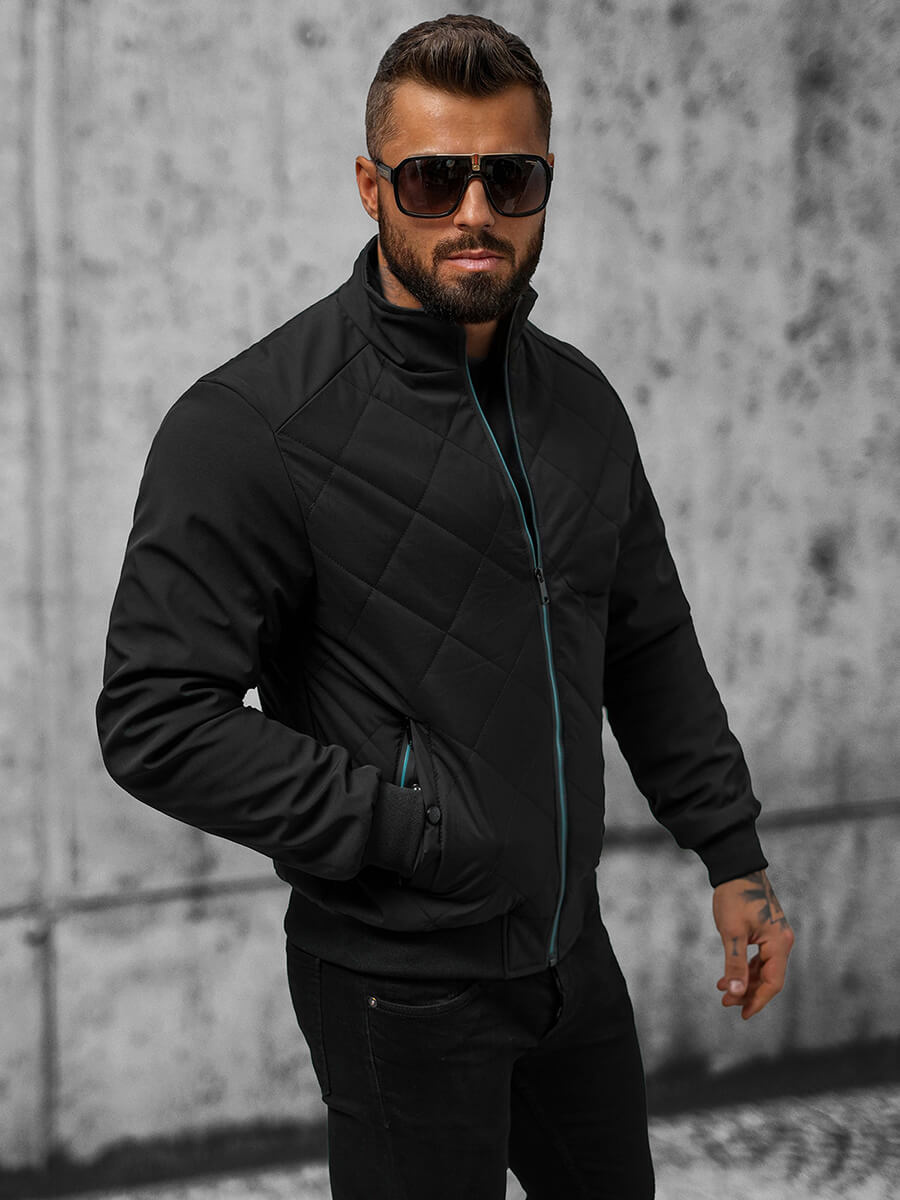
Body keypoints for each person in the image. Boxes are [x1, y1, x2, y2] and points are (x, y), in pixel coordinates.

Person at [95, 13, 794, 1199]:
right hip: (399, 986)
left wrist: (734, 856)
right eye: (433, 179)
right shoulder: (252, 428)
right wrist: (408, 831)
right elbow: (155, 718)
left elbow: (646, 643)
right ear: (372, 187)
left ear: (544, 185)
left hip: (572, 956)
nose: (474, 211)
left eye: (508, 178)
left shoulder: (581, 404)